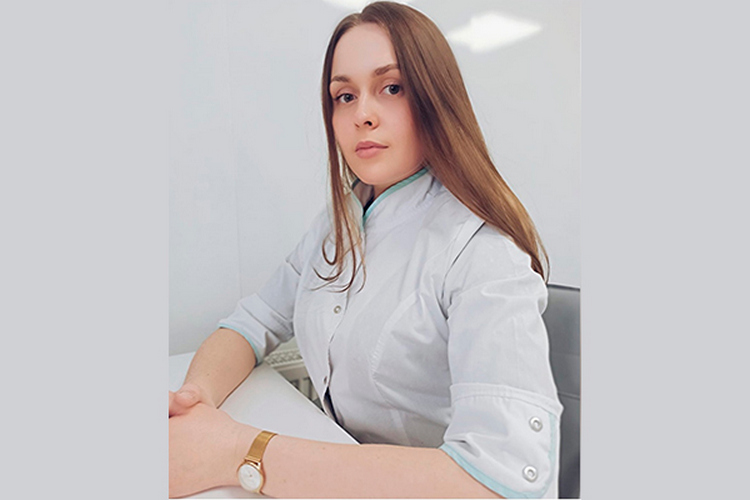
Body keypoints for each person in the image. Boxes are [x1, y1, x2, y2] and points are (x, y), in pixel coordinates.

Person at [169, 2, 562, 498]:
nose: (363, 115)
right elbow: (254, 323)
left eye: (391, 88)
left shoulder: (484, 253)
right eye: (345, 96)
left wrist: (239, 453)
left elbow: (505, 480)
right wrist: (195, 401)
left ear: (435, 98)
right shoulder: (341, 221)